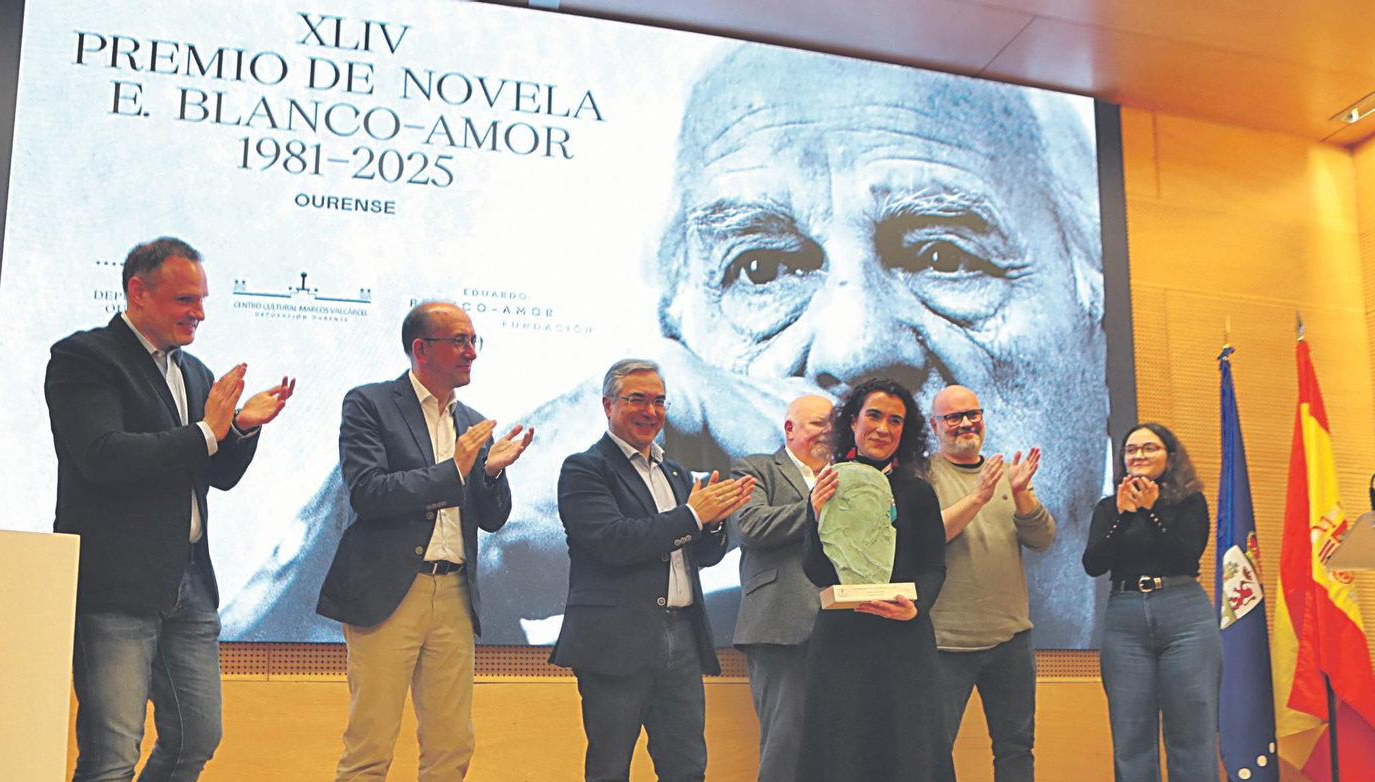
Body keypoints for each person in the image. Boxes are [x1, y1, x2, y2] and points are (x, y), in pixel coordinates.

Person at [456, 42, 1109, 648]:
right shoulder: (692, 649)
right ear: (686, 344)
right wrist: (490, 531)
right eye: (761, 269)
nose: (856, 348)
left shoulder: (1140, 625)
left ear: (1098, 340)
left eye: (943, 254)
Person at [45, 236, 294, 782]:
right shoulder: (85, 358)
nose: (200, 313)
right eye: (186, 300)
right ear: (138, 292)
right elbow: (101, 456)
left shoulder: (193, 372)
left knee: (195, 736)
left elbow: (215, 474)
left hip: (189, 581)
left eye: (203, 298)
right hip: (115, 587)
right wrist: (208, 431)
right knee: (111, 753)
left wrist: (239, 429)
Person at [315, 302, 534, 782]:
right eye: (458, 341)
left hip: (454, 594)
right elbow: (368, 492)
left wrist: (489, 472)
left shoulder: (470, 422)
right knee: (370, 749)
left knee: (450, 747)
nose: (471, 352)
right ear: (421, 349)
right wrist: (456, 469)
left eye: (474, 340)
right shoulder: (369, 405)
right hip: (390, 594)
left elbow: (489, 517)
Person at [551, 358, 760, 782]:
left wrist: (715, 524)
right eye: (638, 400)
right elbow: (614, 542)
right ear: (609, 405)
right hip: (616, 644)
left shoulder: (672, 471)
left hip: (681, 640)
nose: (650, 412)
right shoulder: (584, 469)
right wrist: (693, 515)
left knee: (685, 772)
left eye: (659, 402)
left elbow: (698, 552)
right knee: (610, 778)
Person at [788, 377, 969, 782]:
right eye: (873, 417)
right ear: (853, 422)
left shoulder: (918, 492)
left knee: (909, 758)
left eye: (894, 420)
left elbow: (935, 567)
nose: (883, 429)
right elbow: (819, 572)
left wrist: (915, 609)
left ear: (906, 430)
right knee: (848, 757)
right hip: (842, 642)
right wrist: (815, 517)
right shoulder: (829, 484)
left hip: (904, 642)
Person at [926, 385, 1070, 782]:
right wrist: (981, 496)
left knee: (1015, 747)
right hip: (945, 639)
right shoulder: (924, 475)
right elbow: (927, 536)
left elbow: (1043, 537)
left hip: (1011, 638)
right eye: (953, 419)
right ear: (934, 427)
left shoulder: (1007, 475)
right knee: (931, 749)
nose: (965, 425)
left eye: (972, 416)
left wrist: (1023, 492)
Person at [1082, 423, 1225, 782]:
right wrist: (1125, 516)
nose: (1138, 454)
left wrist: (1151, 514)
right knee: (1131, 739)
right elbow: (1094, 564)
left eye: (1149, 447)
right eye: (1130, 449)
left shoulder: (1189, 502)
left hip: (1184, 612)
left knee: (1193, 736)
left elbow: (1186, 555)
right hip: (1125, 616)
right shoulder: (1110, 507)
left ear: (1169, 455)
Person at [729, 394, 849, 782]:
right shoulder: (755, 468)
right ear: (790, 428)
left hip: (845, 626)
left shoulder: (851, 474)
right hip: (781, 625)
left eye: (833, 424)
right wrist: (814, 506)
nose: (827, 432)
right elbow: (751, 527)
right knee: (783, 748)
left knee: (832, 750)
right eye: (818, 423)